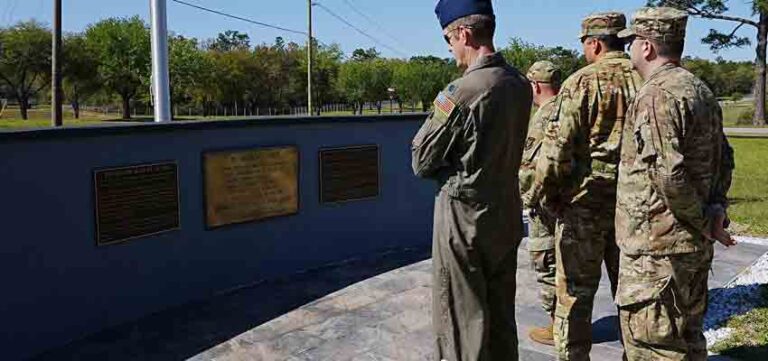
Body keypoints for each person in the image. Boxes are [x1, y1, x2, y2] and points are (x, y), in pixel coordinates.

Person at [412, 0, 532, 359]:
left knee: (461, 325)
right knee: (499, 318)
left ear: (464, 33)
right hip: (505, 213)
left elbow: (420, 160)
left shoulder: (462, 92)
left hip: (464, 221)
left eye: (449, 39)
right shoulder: (520, 84)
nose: (450, 49)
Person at [615, 7, 736, 360]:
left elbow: (667, 174)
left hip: (658, 253)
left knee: (655, 347)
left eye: (633, 42)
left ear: (648, 47)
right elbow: (724, 159)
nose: (630, 50)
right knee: (690, 339)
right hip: (690, 249)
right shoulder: (699, 90)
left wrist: (701, 218)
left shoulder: (657, 94)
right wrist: (714, 210)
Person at [528, 11, 642, 360]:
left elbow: (556, 152)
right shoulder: (647, 78)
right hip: (635, 209)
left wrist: (543, 197)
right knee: (634, 296)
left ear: (593, 43)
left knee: (575, 298)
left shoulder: (581, 82)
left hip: (585, 208)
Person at [520, 60, 563, 346]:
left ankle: (558, 327)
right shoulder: (568, 108)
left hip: (545, 207)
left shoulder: (543, 116)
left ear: (535, 85)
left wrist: (523, 198)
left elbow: (530, 167)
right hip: (567, 203)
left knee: (546, 261)